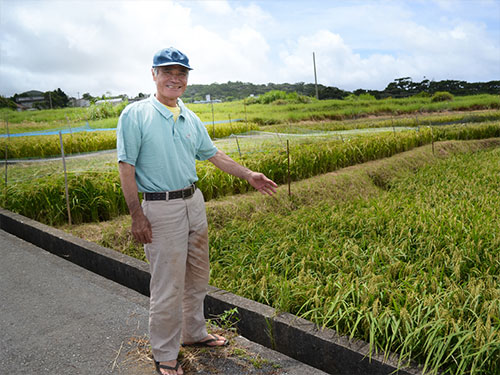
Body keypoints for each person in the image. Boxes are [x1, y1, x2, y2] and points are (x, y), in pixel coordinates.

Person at [116, 47, 277, 375]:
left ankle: (193, 333)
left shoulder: (190, 116)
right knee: (167, 284)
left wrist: (249, 175)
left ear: (187, 78)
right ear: (154, 74)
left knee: (197, 276)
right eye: (168, 72)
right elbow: (126, 166)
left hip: (193, 202)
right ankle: (164, 353)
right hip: (160, 208)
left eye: (182, 73)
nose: (175, 78)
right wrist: (136, 214)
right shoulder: (136, 115)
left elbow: (213, 154)